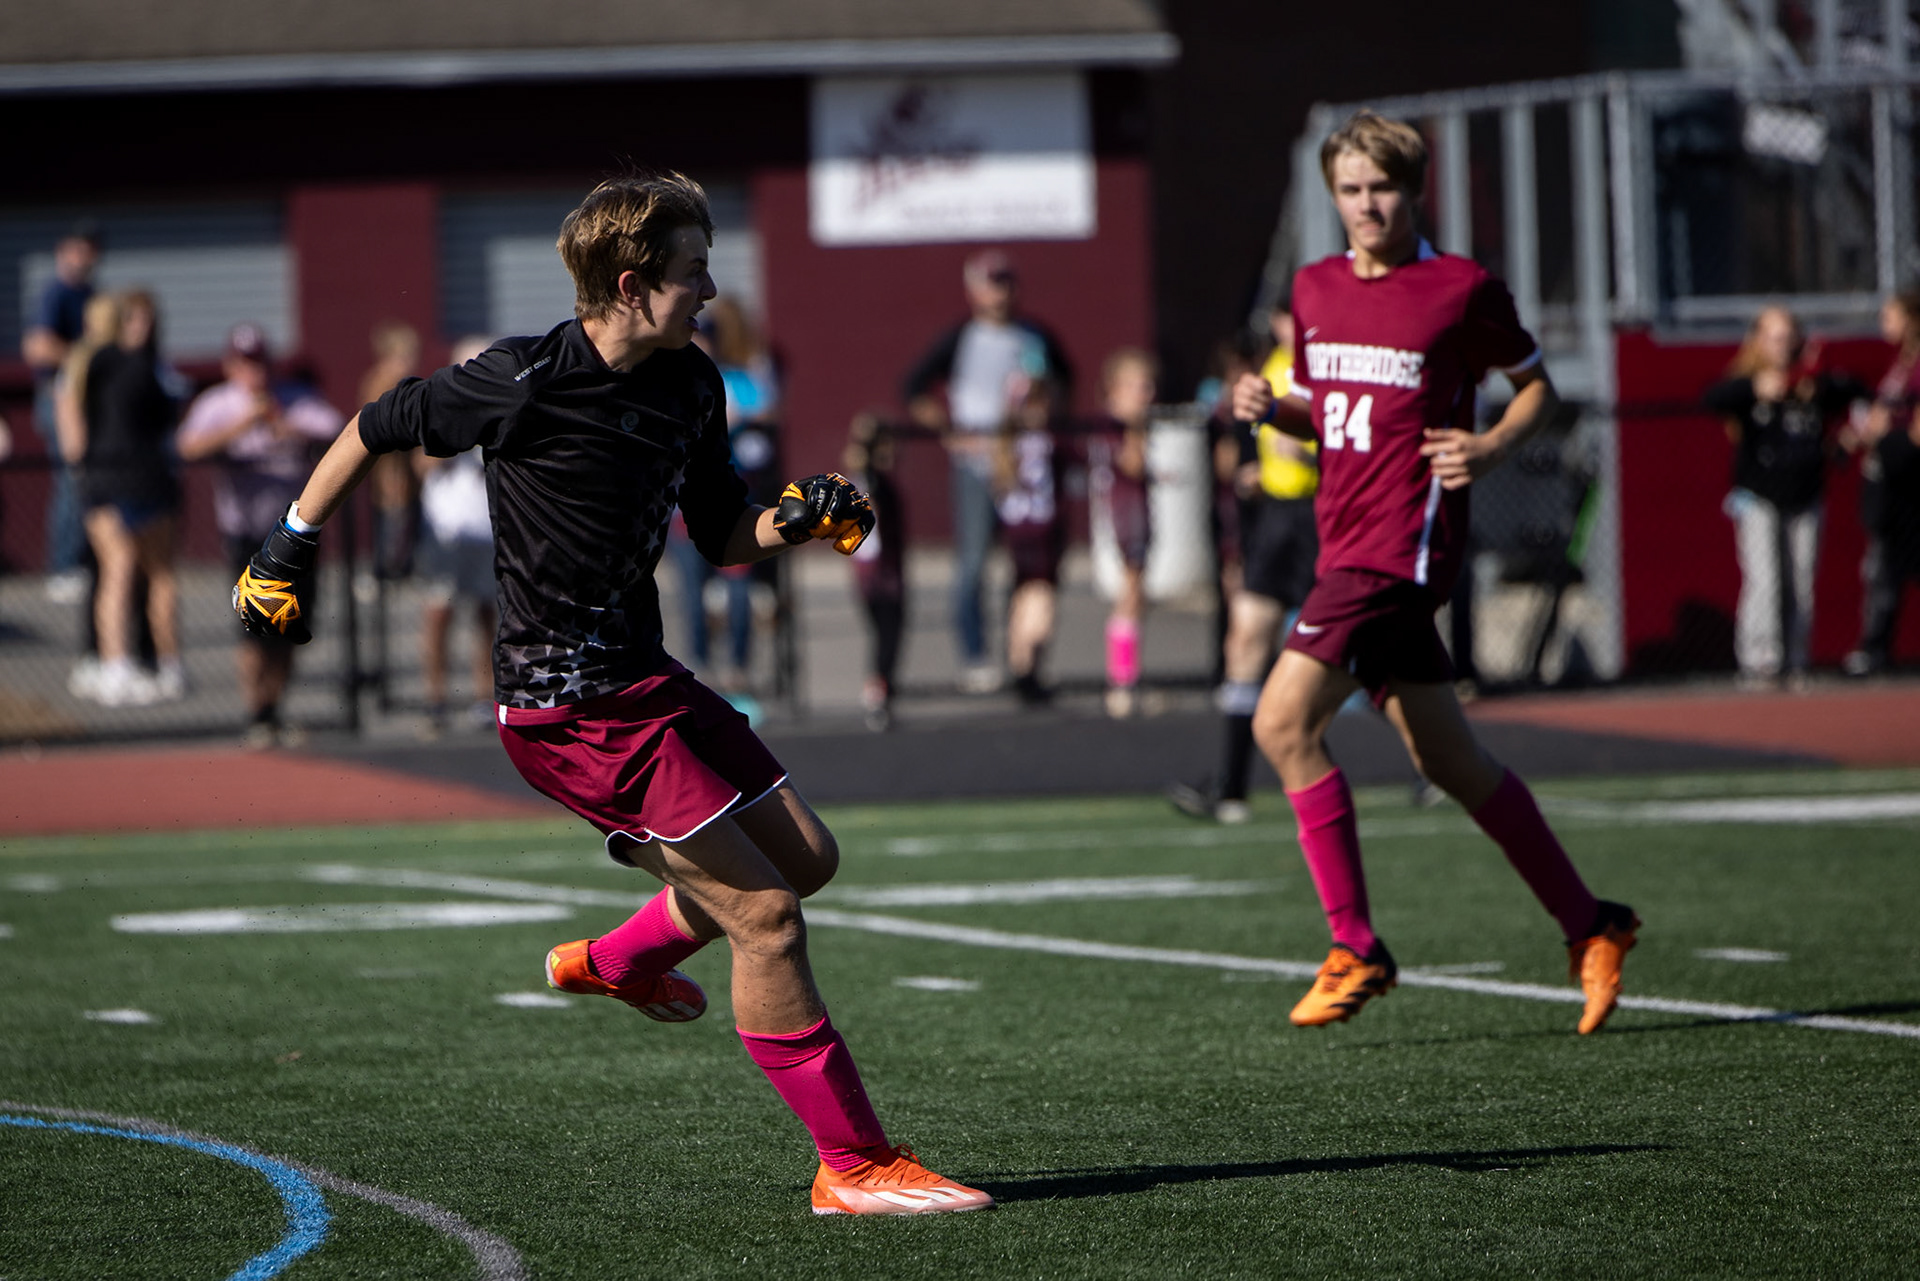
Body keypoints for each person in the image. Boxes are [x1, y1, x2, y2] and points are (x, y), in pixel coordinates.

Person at [232, 173, 991, 1215]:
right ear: (633, 285)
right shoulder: (524, 378)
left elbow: (726, 534)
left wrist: (798, 518)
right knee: (764, 918)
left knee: (808, 861)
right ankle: (852, 1167)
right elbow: (374, 424)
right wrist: (289, 543)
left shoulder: (692, 383)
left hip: (645, 679)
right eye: (694, 272)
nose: (713, 289)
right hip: (565, 708)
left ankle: (615, 962)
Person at [1230, 110, 1638, 1036]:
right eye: (1351, 190)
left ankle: (1355, 945)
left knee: (1281, 721)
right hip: (1344, 543)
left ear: (1415, 192)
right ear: (1331, 196)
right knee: (1449, 759)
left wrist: (1489, 446)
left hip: (1401, 552)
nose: (1368, 206)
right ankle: (1592, 921)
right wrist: (1273, 407)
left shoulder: (1459, 289)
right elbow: (1331, 413)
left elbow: (1539, 385)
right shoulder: (1315, 286)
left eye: (1384, 188)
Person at [1172, 309, 1320, 823]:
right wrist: (1253, 471)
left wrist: (1313, 460)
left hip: (1323, 518)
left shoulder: (1333, 368)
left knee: (1357, 654)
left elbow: (1358, 443)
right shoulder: (1274, 367)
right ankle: (1233, 786)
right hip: (1277, 522)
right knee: (1246, 639)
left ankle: (1430, 767)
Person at [904, 250, 1072, 693]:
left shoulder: (1034, 336)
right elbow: (914, 387)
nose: (999, 292)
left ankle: (1025, 658)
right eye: (990, 282)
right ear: (973, 289)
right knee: (973, 562)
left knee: (1030, 563)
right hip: (977, 465)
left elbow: (1063, 383)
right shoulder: (960, 337)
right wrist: (952, 432)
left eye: (1006, 281)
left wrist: (1039, 417)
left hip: (1026, 469)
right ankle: (975, 655)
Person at [176, 323, 343, 747]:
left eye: (261, 362)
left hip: (293, 534)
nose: (256, 372)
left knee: (289, 628)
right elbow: (187, 446)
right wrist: (239, 428)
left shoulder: (291, 398)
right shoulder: (219, 403)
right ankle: (256, 713)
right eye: (246, 364)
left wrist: (285, 427)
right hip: (247, 535)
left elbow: (337, 430)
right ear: (232, 366)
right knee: (254, 627)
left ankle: (273, 709)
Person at [1703, 306, 1863, 688]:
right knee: (1765, 578)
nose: (1784, 345)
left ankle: (1796, 658)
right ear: (1759, 340)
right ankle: (1761, 660)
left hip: (1806, 493)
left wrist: (1821, 391)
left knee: (1801, 580)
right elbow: (1712, 398)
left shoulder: (1813, 382)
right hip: (1759, 494)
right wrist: (1755, 388)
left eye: (1789, 336)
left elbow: (1859, 393)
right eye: (1775, 337)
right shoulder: (1750, 381)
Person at [66, 290, 185, 707]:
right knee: (147, 572)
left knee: (125, 572)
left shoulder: (89, 366)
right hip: (136, 477)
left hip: (112, 479)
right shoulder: (132, 366)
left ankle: (123, 666)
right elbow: (166, 418)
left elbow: (75, 438)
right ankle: (155, 667)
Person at [413, 335, 498, 734]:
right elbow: (422, 466)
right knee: (438, 615)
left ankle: (485, 698)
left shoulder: (504, 410)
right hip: (446, 532)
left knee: (486, 617)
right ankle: (435, 699)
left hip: (486, 530)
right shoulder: (441, 409)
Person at [1841, 289, 1920, 675]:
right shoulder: (1899, 364)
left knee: (1895, 563)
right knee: (1883, 566)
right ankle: (1874, 646)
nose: (1883, 323)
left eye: (1891, 315)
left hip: (1910, 482)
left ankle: (1875, 647)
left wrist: (1881, 439)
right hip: (1889, 481)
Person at [22, 225, 102, 603]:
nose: (84, 258)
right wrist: (82, 358)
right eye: (77, 250)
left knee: (88, 481)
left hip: (88, 400)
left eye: (90, 250)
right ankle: (63, 567)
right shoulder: (55, 294)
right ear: (62, 252)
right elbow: (37, 346)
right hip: (59, 398)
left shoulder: (91, 294)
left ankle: (82, 562)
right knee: (71, 480)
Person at [995, 373, 1068, 706]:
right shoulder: (1018, 446)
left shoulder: (1048, 441)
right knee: (1036, 601)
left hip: (1043, 532)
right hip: (1028, 533)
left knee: (1028, 597)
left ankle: (1026, 668)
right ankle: (1023, 668)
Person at [1092, 349, 1157, 718]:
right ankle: (1122, 680)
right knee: (1130, 593)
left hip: (1137, 509)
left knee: (1136, 593)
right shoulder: (1118, 425)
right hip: (1126, 513)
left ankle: (1128, 675)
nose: (1145, 394)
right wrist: (1137, 431)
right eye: (1137, 386)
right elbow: (1130, 464)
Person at [844, 413, 907, 730]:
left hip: (880, 568)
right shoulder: (870, 482)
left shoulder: (870, 480)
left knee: (889, 633)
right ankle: (878, 691)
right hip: (877, 571)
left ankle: (883, 688)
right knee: (888, 632)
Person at [359, 321, 424, 580]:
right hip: (389, 481)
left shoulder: (408, 385)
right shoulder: (380, 384)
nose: (409, 362)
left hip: (406, 481)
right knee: (391, 542)